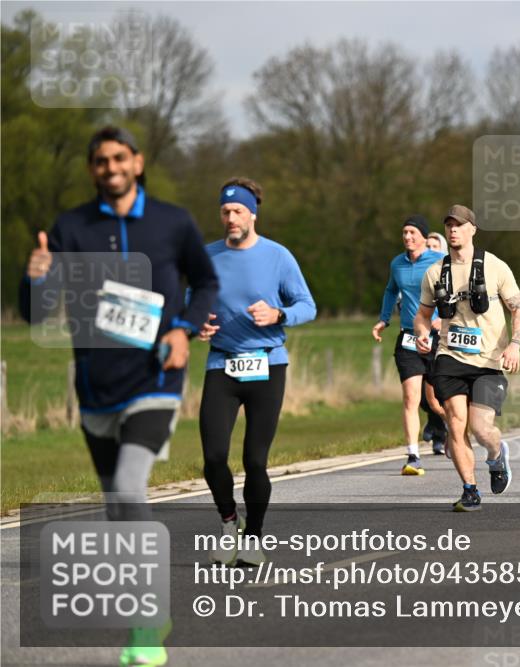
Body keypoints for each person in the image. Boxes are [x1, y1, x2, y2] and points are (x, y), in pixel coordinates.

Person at [19, 126, 219, 667]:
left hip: (154, 381)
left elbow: (205, 283)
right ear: (92, 170)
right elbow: (36, 308)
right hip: (95, 388)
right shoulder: (71, 227)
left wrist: (182, 329)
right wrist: (37, 279)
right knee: (117, 507)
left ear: (137, 161)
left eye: (118, 158)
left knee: (131, 488)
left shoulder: (172, 222)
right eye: (99, 161)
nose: (109, 167)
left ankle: (147, 624)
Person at [197, 178, 316, 567]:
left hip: (267, 364)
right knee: (214, 456)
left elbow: (307, 305)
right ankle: (229, 522)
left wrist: (278, 314)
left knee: (254, 461)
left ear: (252, 214)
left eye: (237, 212)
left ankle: (253, 537)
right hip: (222, 363)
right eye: (224, 212)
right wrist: (196, 325)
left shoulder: (278, 256)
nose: (230, 218)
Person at [415, 204, 520, 511]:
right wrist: (423, 332)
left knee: (481, 429)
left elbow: (518, 308)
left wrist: (514, 344)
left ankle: (495, 455)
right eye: (449, 225)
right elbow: (422, 315)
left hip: (489, 360)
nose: (453, 230)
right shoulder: (435, 272)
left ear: (472, 229)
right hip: (450, 356)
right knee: (455, 424)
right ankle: (470, 490)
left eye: (459, 225)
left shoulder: (495, 267)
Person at [373, 216, 447, 474]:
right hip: (408, 337)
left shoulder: (438, 261)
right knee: (410, 397)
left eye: (412, 232)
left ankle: (456, 431)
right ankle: (413, 456)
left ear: (424, 237)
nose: (407, 237)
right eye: (404, 232)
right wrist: (383, 319)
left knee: (436, 401)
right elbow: (391, 291)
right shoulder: (398, 263)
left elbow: (454, 293)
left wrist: (442, 320)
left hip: (436, 336)